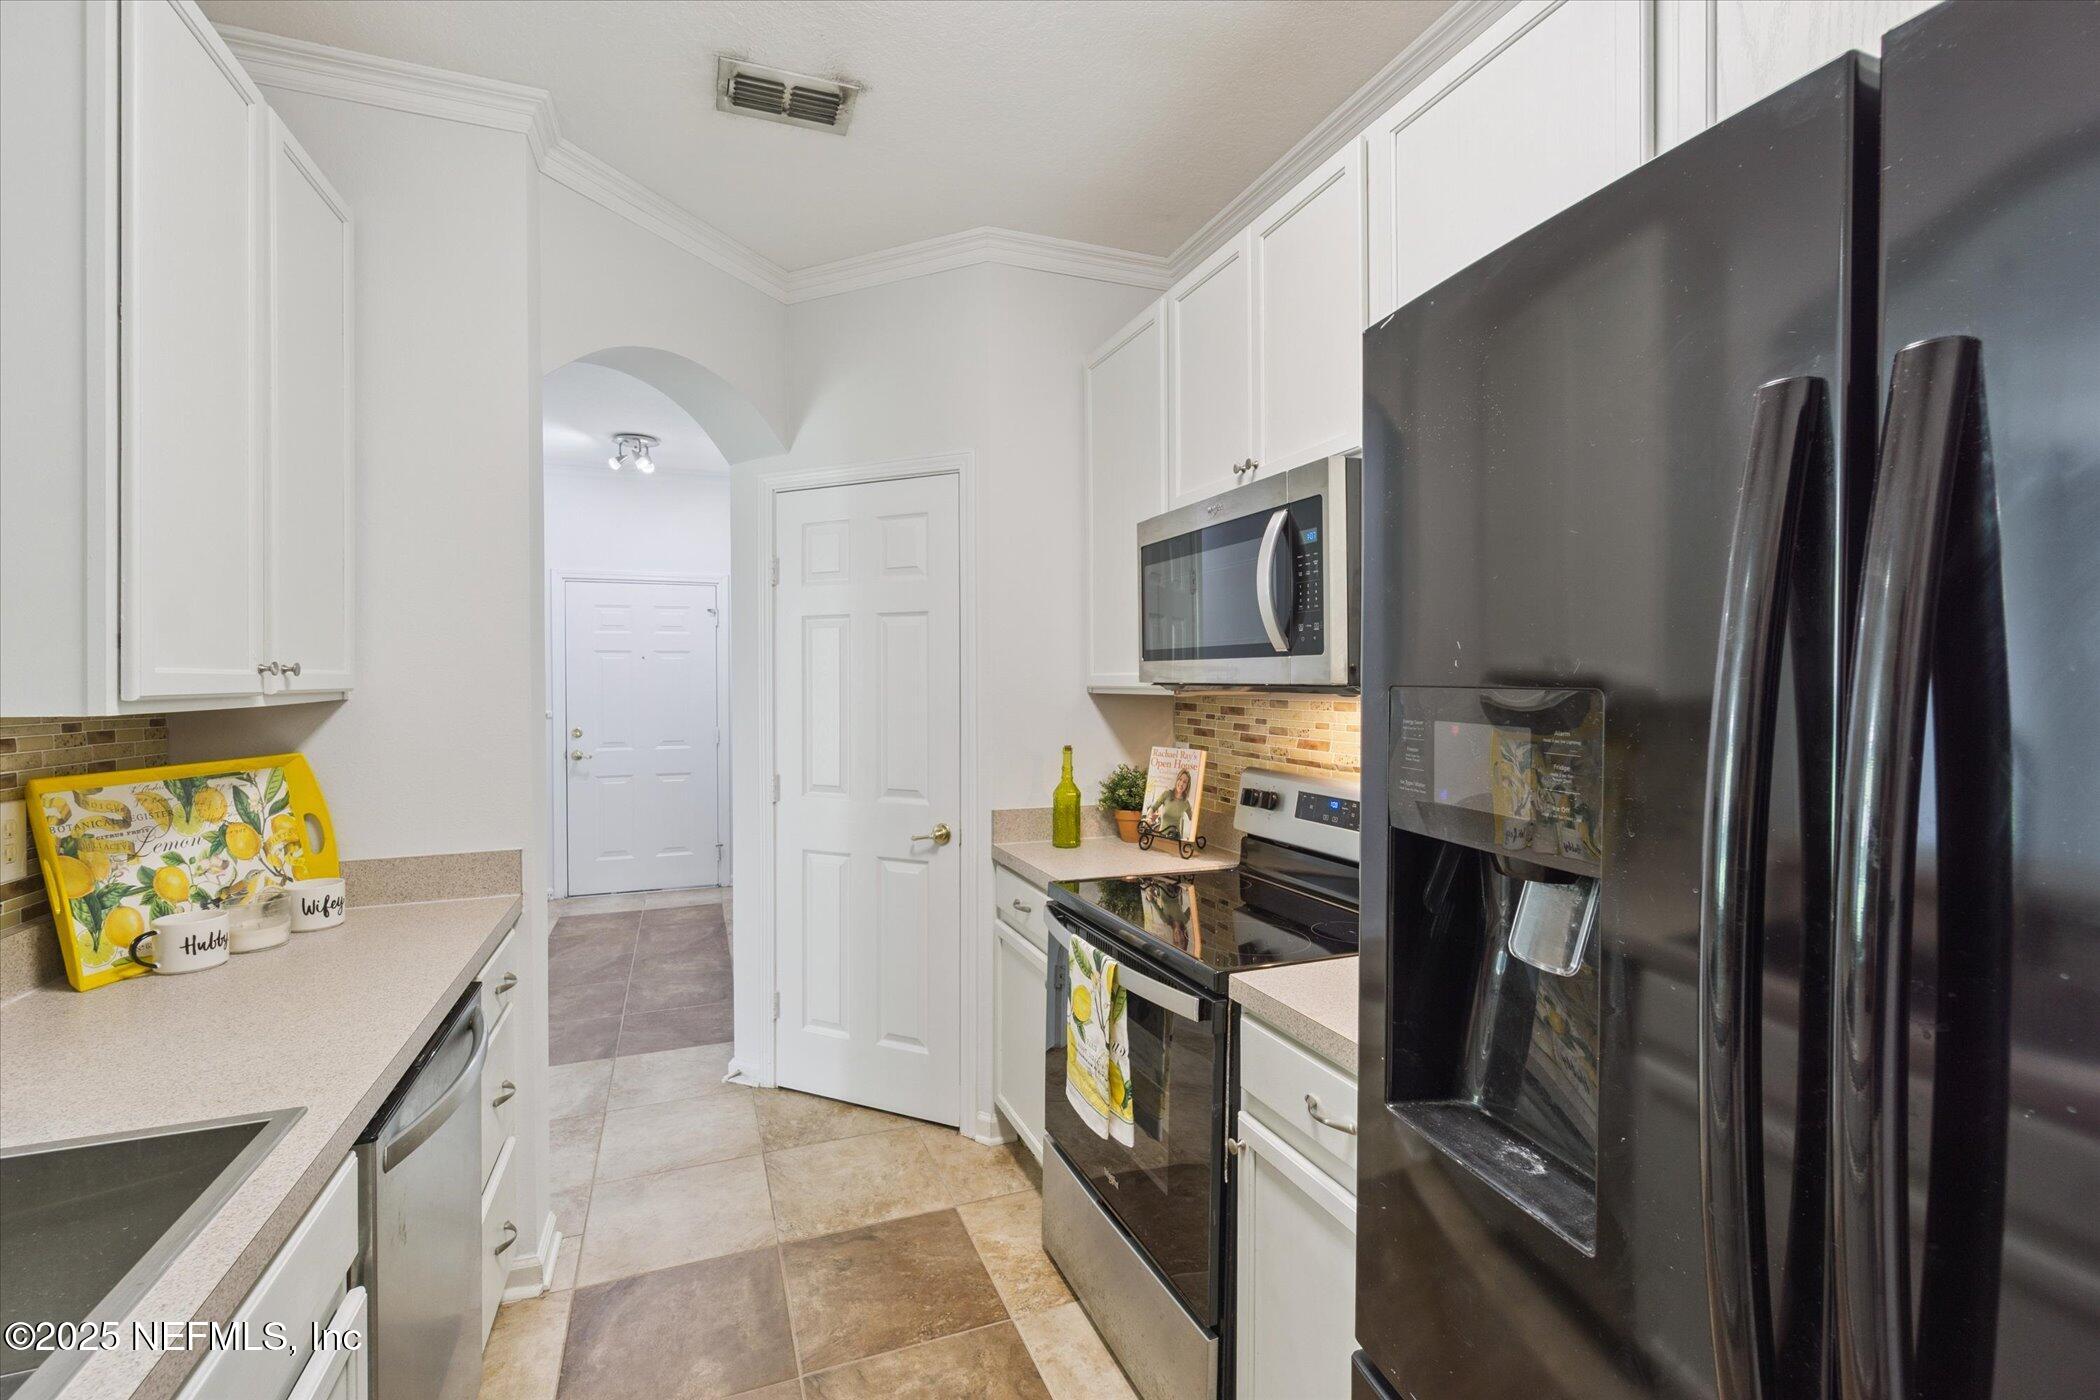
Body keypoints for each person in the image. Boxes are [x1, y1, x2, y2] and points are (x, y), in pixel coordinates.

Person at [1147, 767, 1196, 840]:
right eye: (1180, 779)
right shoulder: (1166, 794)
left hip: (1176, 838)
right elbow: (1153, 808)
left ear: (1187, 786)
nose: (1181, 783)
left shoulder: (1186, 803)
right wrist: (1149, 818)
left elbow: (1193, 819)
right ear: (1177, 780)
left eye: (1185, 782)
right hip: (1162, 836)